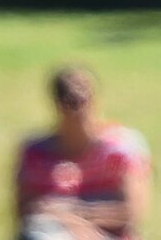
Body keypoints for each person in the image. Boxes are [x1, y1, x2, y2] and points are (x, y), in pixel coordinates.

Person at [15, 66, 152, 240]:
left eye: (81, 98)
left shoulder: (121, 149)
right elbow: (25, 211)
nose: (76, 110)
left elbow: (132, 212)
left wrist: (71, 216)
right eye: (70, 100)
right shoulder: (36, 152)